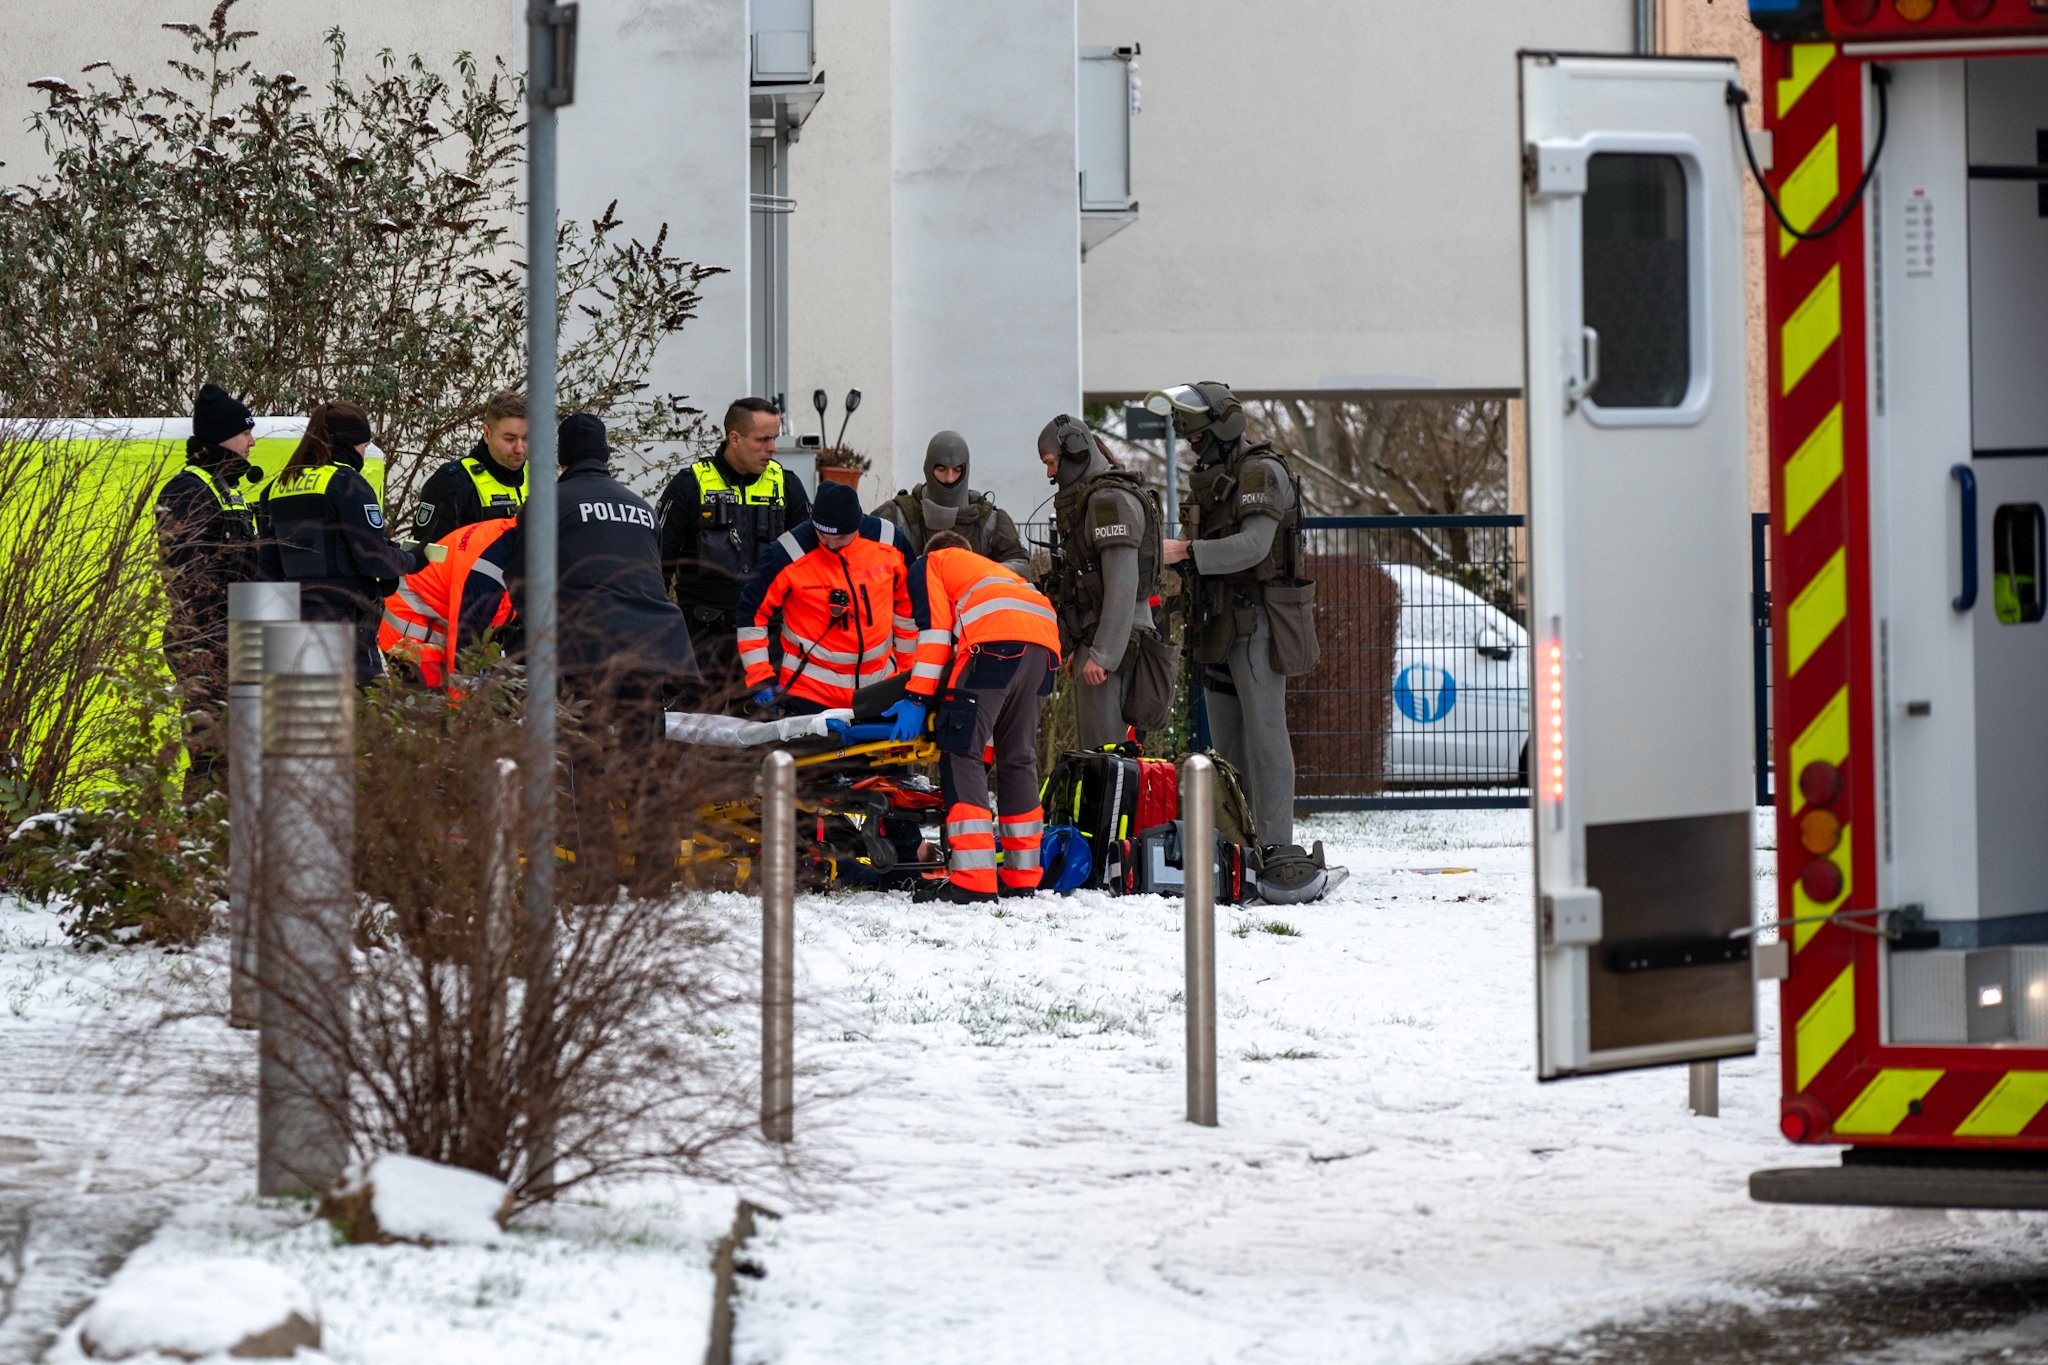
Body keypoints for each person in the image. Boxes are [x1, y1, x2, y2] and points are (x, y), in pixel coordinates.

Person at [1157, 380, 1338, 902]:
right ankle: (1242, 843)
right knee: (1229, 745)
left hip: (1257, 619)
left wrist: (1185, 552)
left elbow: (1255, 545)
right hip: (1216, 621)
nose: (1192, 445)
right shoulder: (1218, 475)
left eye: (1196, 435)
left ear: (1222, 425)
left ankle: (1277, 847)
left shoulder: (1261, 472)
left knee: (1264, 732)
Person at [455, 413, 698, 742]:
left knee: (579, 747)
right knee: (641, 754)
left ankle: (584, 793)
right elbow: (655, 576)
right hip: (651, 644)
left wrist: (523, 649)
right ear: (606, 456)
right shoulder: (642, 508)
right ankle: (645, 794)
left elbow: (522, 582)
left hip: (583, 646)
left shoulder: (546, 505)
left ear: (562, 460)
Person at [899, 531, 1061, 903]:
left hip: (995, 645)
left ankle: (972, 881)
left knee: (961, 753)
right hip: (1044, 650)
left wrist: (916, 696)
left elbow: (936, 635)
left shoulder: (931, 565)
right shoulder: (996, 574)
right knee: (1018, 759)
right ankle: (1022, 877)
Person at [656, 396, 812, 701]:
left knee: (766, 742)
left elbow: (812, 567)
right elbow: (656, 568)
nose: (773, 448)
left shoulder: (787, 486)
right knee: (696, 740)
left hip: (769, 643)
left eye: (775, 438)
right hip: (701, 643)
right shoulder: (690, 486)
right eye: (763, 439)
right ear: (735, 438)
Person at [256, 400, 422, 688]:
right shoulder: (347, 482)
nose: (364, 452)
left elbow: (268, 568)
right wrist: (412, 559)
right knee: (363, 718)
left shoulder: (276, 487)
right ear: (350, 444)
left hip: (291, 628)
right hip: (345, 627)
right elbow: (374, 558)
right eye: (364, 445)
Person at [154, 383, 263, 802]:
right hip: (208, 643)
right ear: (222, 437)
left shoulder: (224, 488)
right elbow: (187, 578)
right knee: (213, 755)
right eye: (244, 433)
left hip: (237, 639)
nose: (252, 442)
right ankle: (202, 846)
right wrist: (214, 646)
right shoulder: (188, 491)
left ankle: (227, 844)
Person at [1037, 414, 1163, 749]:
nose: (1050, 474)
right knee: (1101, 757)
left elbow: (1123, 583)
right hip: (1103, 640)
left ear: (1075, 452)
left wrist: (1102, 654)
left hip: (1115, 645)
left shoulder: (1107, 502)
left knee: (1105, 758)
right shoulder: (1101, 498)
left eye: (1051, 463)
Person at [734, 481, 913, 716]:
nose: (830, 544)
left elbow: (910, 609)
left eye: (841, 538)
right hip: (808, 693)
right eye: (822, 535)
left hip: (880, 687)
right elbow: (751, 614)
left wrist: (909, 674)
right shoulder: (787, 553)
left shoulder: (889, 541)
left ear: (857, 526)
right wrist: (759, 676)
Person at [378, 516, 517, 689]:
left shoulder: (507, 540)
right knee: (433, 710)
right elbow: (464, 641)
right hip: (414, 639)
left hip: (438, 633)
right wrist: (463, 709)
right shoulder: (484, 569)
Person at [875, 430, 1030, 575]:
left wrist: (976, 572)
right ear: (928, 468)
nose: (949, 478)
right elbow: (867, 562)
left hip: (972, 601)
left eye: (956, 470)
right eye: (941, 469)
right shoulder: (896, 516)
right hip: (915, 601)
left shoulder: (991, 521)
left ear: (966, 470)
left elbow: (1021, 567)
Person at [409, 390, 530, 547]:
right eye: (510, 439)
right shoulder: (452, 482)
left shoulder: (537, 476)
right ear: (487, 434)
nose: (519, 448)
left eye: (526, 438)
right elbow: (426, 560)